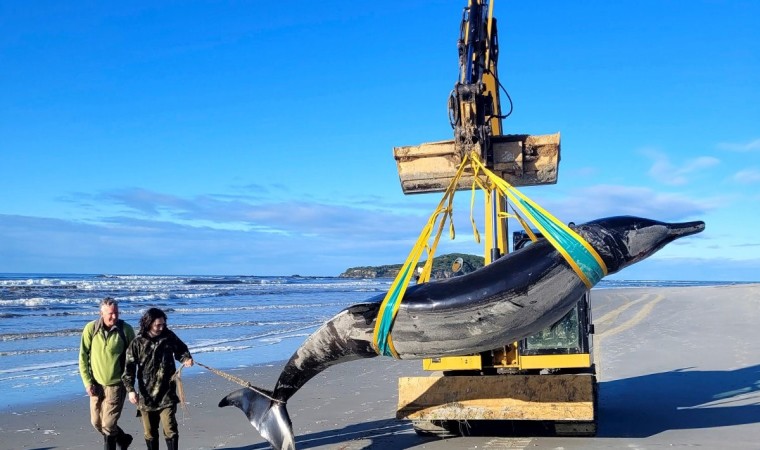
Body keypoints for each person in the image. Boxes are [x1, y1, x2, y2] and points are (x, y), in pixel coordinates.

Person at [123, 308, 193, 450]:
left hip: (167, 393)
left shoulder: (168, 336)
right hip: (146, 396)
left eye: (163, 324)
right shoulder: (137, 342)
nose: (161, 328)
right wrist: (130, 390)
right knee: (150, 432)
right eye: (158, 325)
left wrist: (186, 358)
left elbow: (181, 349)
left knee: (170, 428)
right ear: (148, 324)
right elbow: (128, 369)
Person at [79, 297, 136, 450]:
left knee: (108, 425)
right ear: (101, 313)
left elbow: (134, 358)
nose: (114, 317)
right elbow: (83, 357)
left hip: (116, 385)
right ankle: (123, 439)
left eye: (116, 313)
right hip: (96, 385)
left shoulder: (126, 330)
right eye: (110, 313)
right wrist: (87, 382)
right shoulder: (91, 329)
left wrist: (131, 387)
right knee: (96, 423)